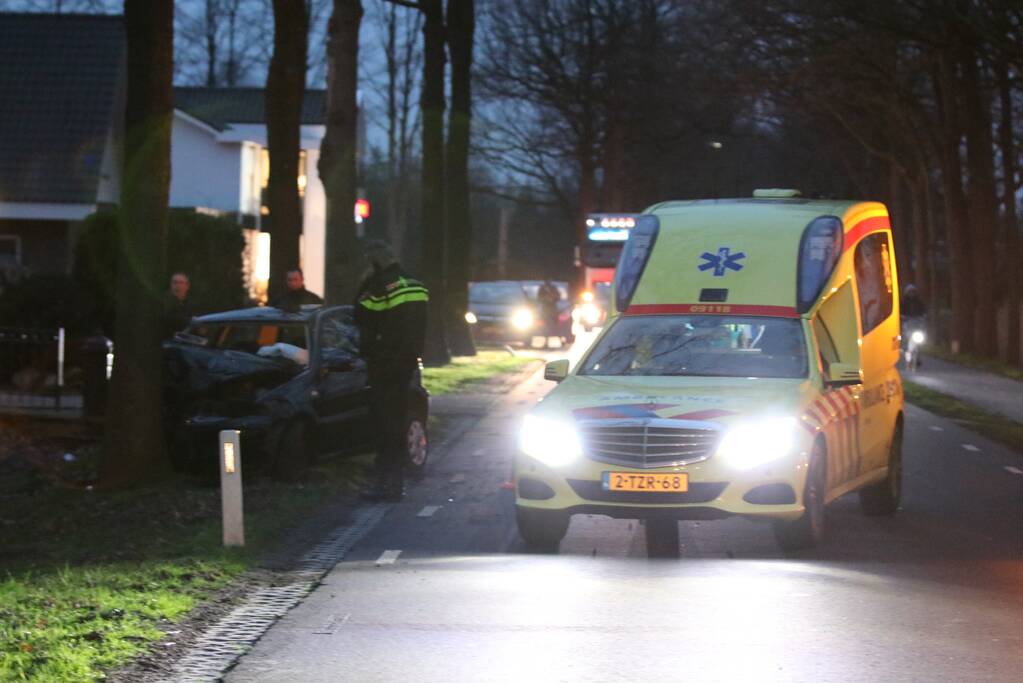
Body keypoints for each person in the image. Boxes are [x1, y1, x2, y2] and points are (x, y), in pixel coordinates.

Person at [355, 240, 429, 501]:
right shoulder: (416, 284)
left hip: (383, 362)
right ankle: (395, 484)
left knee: (384, 425)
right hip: (407, 364)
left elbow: (361, 315)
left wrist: (365, 284)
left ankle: (385, 485)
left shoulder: (379, 285)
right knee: (397, 421)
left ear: (375, 262)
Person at [163, 271, 195, 338]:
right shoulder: (163, 303)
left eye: (181, 283)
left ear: (187, 286)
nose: (177, 285)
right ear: (171, 285)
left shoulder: (192, 306)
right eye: (175, 282)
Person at [537, 278, 561, 347]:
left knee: (555, 326)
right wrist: (545, 299)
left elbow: (558, 297)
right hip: (546, 309)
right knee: (546, 326)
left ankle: (560, 340)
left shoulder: (554, 288)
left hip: (553, 309)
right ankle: (546, 341)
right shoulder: (542, 289)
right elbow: (539, 298)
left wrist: (552, 298)